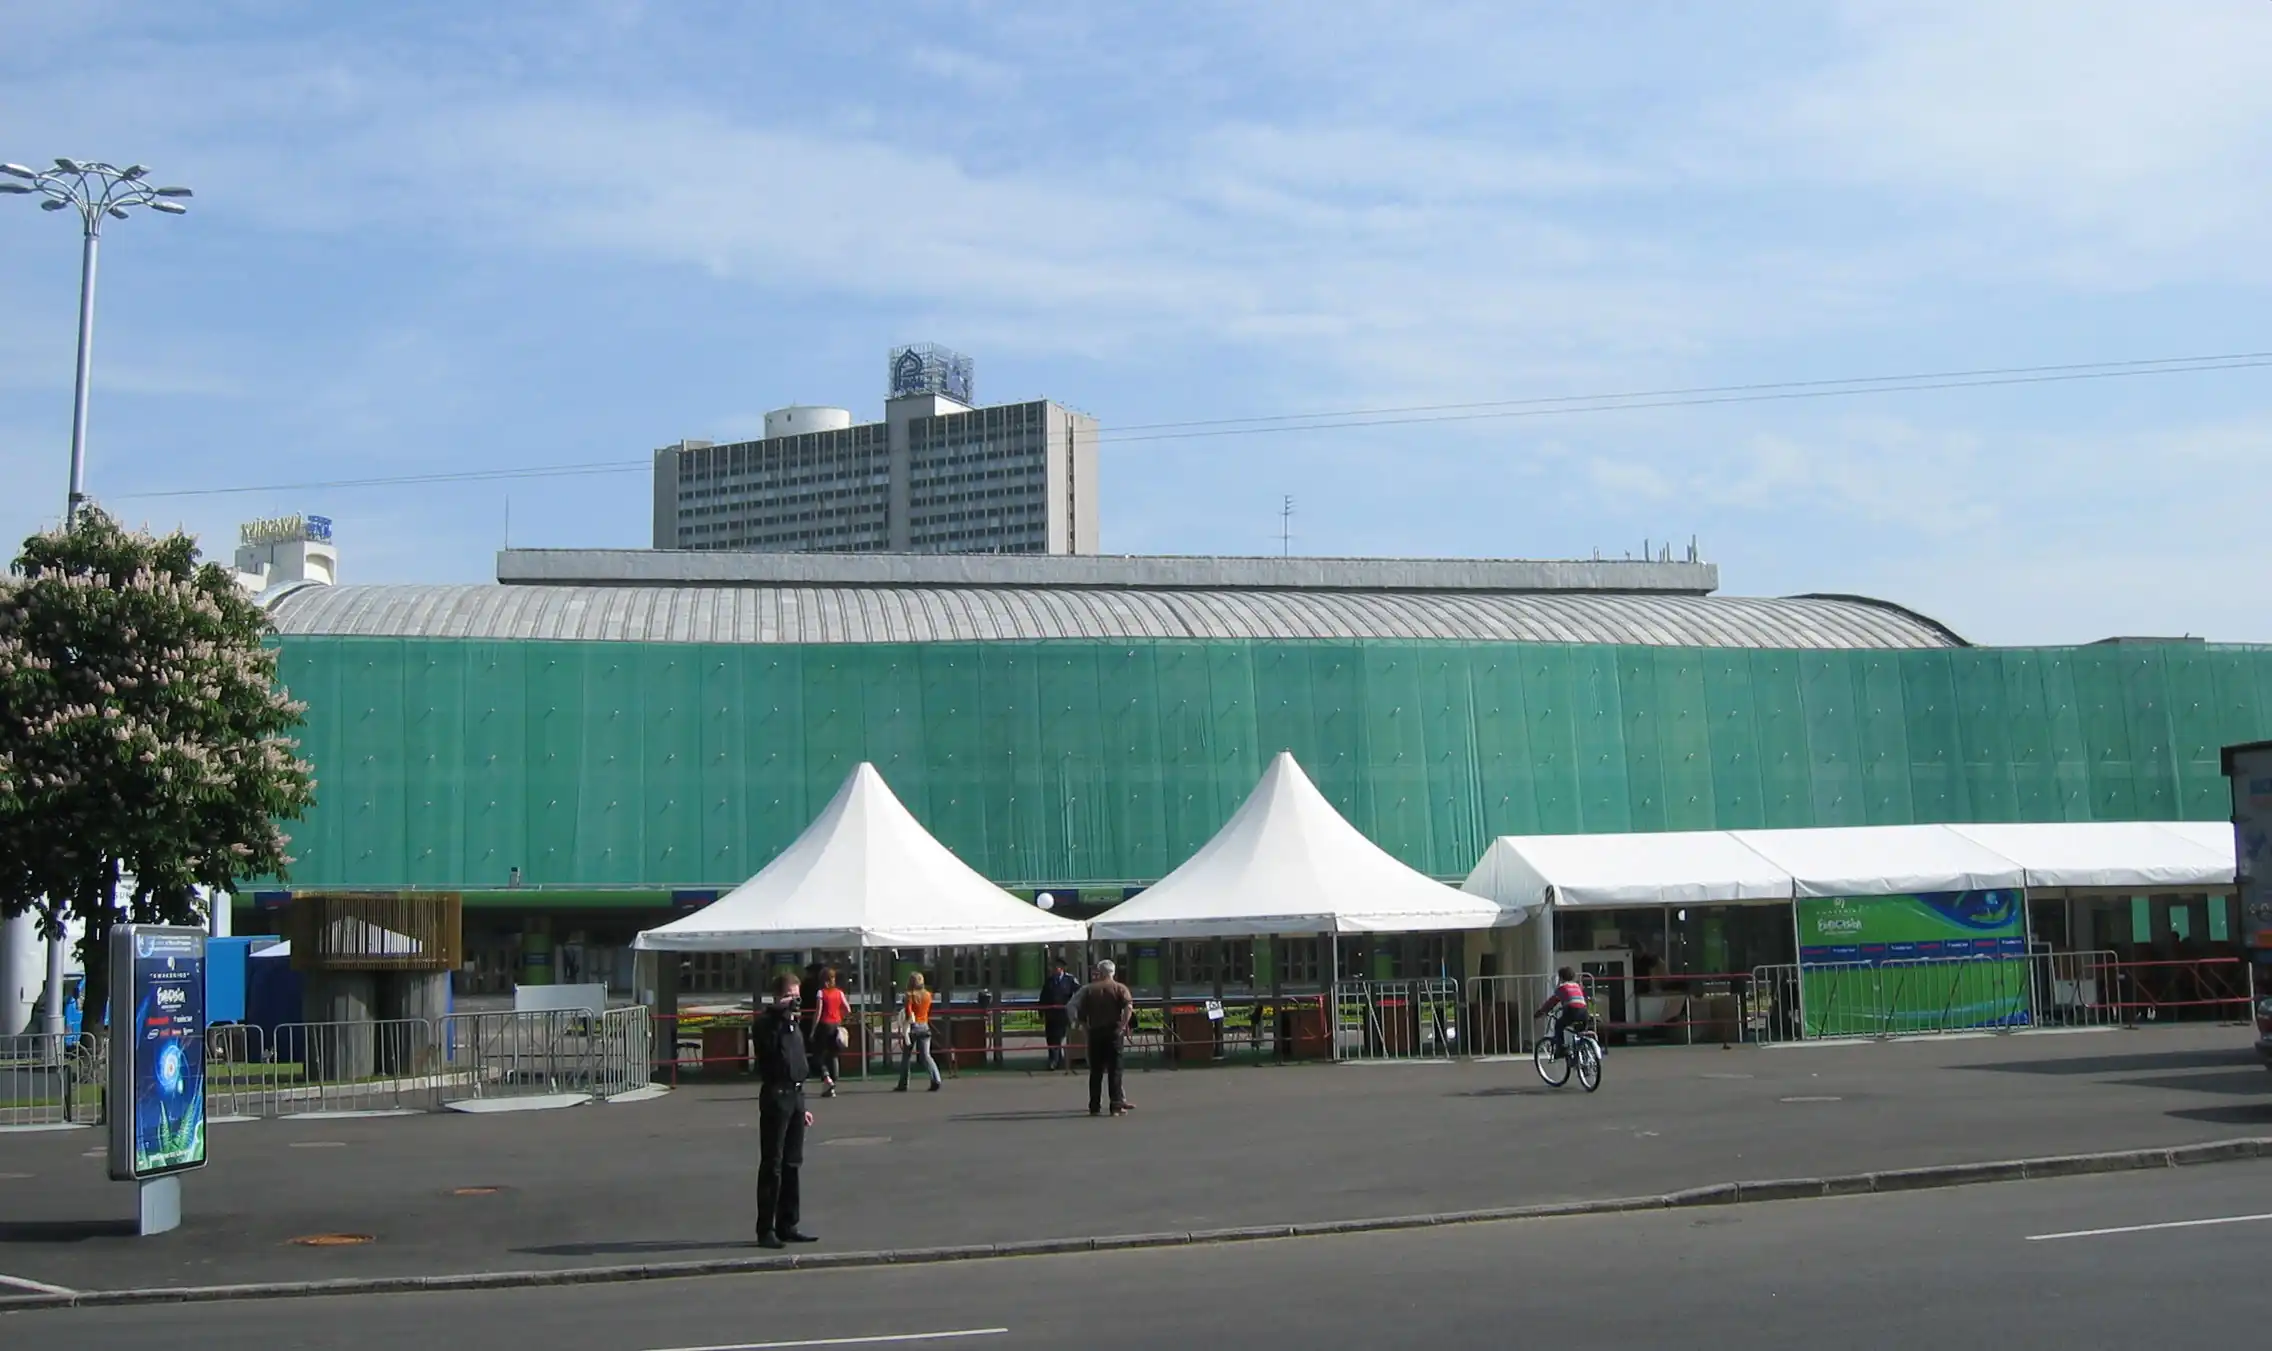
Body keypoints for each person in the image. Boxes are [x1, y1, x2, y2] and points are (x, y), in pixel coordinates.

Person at [754, 969, 819, 1249]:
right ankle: (765, 1228)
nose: (795, 1002)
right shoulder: (766, 1024)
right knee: (773, 1164)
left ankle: (788, 1223)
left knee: (793, 1163)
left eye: (797, 996)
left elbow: (798, 1063)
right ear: (778, 997)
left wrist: (802, 1105)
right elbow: (768, 1054)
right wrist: (778, 1013)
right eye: (790, 996)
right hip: (775, 1095)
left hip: (794, 1095)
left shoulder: (794, 1025)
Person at [1076, 959, 1136, 1117]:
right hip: (1113, 1032)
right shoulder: (1120, 988)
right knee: (1115, 1070)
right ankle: (1115, 1105)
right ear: (1113, 972)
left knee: (1095, 1071)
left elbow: (1081, 1014)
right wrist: (1123, 1025)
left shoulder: (1090, 990)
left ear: (1100, 972)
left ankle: (1094, 1105)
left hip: (1095, 1032)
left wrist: (1086, 1029)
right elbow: (1128, 1007)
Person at [895, 971, 941, 1092]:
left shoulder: (909, 996)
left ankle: (903, 1083)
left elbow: (909, 1012)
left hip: (912, 1027)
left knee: (906, 1056)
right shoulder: (927, 995)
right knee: (926, 1055)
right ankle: (936, 1078)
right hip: (924, 1025)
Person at [809, 966, 850, 1097]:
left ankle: (826, 1077)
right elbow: (847, 1009)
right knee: (833, 1055)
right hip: (836, 1024)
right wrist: (840, 1017)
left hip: (824, 1025)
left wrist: (813, 1030)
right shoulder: (839, 992)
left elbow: (818, 1012)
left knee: (818, 1054)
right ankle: (833, 1082)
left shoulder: (821, 993)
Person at [1535, 967, 1591, 1053]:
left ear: (1560, 978)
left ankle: (1561, 1049)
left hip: (1572, 1011)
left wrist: (1541, 1012)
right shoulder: (1577, 986)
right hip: (1584, 1012)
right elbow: (1579, 1000)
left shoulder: (1562, 988)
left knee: (1559, 1025)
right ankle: (1582, 1052)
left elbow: (1552, 1002)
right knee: (1580, 1032)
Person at [1039, 957, 1081, 1071]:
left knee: (1059, 1037)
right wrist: (1041, 1012)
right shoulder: (1049, 981)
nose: (1055, 969)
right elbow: (1043, 996)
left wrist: (1075, 1007)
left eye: (1058, 967)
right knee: (1051, 1038)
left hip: (1063, 1013)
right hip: (1051, 1014)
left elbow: (1079, 992)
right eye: (1054, 967)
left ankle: (1056, 1060)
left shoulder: (1070, 979)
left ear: (1062, 968)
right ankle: (1054, 1059)